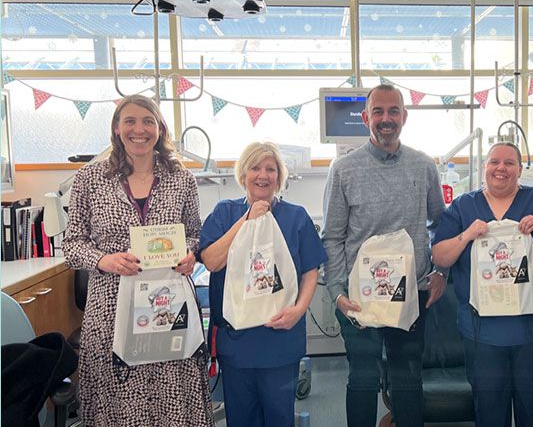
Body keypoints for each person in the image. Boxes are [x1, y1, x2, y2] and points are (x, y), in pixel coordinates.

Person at [63, 94, 213, 426]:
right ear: (117, 128)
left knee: (172, 390)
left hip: (168, 302)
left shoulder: (181, 178)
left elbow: (194, 234)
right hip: (111, 307)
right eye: (129, 121)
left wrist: (190, 255)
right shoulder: (90, 179)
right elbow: (72, 245)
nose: (139, 130)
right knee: (118, 398)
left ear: (159, 128)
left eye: (148, 121)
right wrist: (104, 259)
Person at [321, 84, 446, 427]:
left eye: (393, 111)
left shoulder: (424, 166)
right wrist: (337, 292)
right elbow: (331, 236)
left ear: (404, 117)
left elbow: (440, 224)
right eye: (378, 112)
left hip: (411, 293)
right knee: (362, 378)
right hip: (359, 298)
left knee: (408, 378)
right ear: (365, 118)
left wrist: (439, 271)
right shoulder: (343, 170)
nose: (386, 119)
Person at [199, 141, 325, 427]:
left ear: (279, 177)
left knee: (280, 416)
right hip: (237, 342)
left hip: (280, 338)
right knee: (241, 418)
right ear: (243, 174)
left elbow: (310, 271)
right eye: (255, 167)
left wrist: (299, 310)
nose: (263, 175)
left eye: (271, 169)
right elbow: (211, 261)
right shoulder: (224, 213)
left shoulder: (296, 217)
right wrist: (247, 218)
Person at [431, 142, 533, 426]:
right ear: (484, 167)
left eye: (509, 163)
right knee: (489, 411)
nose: (501, 168)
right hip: (482, 331)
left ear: (520, 170)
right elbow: (440, 255)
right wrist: (466, 236)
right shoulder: (464, 206)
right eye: (494, 162)